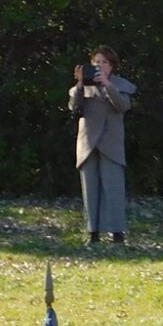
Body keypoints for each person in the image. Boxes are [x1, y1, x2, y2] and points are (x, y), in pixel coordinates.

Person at [70, 45, 135, 247]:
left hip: (111, 143)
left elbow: (123, 106)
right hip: (88, 143)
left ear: (112, 66)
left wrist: (107, 85)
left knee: (114, 189)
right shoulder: (82, 86)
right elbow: (74, 107)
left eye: (104, 62)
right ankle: (92, 233)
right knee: (90, 190)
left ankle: (117, 233)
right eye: (96, 62)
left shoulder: (121, 85)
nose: (100, 66)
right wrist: (80, 84)